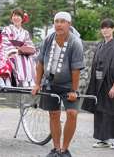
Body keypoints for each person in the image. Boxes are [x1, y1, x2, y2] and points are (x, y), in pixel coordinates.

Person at [32, 12, 84, 157]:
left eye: (63, 21)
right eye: (56, 21)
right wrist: (37, 84)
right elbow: (40, 62)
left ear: (69, 24)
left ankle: (64, 149)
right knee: (54, 114)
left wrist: (74, 90)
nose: (59, 24)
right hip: (50, 82)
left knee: (72, 113)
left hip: (68, 84)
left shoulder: (75, 42)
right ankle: (55, 149)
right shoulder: (48, 39)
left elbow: (76, 69)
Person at [81, 18, 114, 149]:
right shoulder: (100, 45)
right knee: (100, 110)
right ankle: (103, 139)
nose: (105, 30)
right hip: (99, 83)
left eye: (108, 27)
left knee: (113, 110)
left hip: (111, 82)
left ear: (113, 29)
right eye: (103, 28)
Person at [2, 8, 36, 87]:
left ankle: (31, 80)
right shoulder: (6, 29)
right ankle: (22, 80)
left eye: (18, 16)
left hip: (22, 52)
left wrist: (24, 50)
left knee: (32, 57)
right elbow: (5, 42)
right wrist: (15, 50)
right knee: (18, 57)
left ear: (22, 18)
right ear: (11, 18)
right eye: (14, 16)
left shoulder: (25, 33)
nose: (16, 18)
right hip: (11, 52)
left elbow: (29, 44)